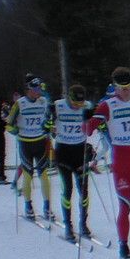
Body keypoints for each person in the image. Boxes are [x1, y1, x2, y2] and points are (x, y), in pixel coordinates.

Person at [89, 67, 130, 259]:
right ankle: (123, 246)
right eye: (121, 88)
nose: (125, 92)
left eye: (128, 87)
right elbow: (88, 130)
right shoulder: (108, 105)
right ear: (114, 87)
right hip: (121, 161)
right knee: (125, 206)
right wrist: (88, 116)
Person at [6, 76, 54, 221]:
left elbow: (48, 118)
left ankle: (47, 207)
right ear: (28, 90)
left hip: (40, 141)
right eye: (35, 89)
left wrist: (48, 126)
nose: (38, 92)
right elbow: (8, 124)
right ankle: (28, 206)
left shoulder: (43, 101)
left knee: (44, 175)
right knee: (27, 175)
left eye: (39, 89)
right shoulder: (19, 104)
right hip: (25, 143)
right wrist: (14, 130)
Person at [52, 84, 94, 240]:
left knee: (84, 191)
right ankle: (68, 226)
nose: (78, 107)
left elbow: (97, 124)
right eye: (75, 103)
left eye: (80, 104)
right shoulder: (57, 106)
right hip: (63, 153)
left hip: (80, 152)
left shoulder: (87, 106)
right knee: (68, 190)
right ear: (68, 98)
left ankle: (83, 224)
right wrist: (49, 124)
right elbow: (47, 125)